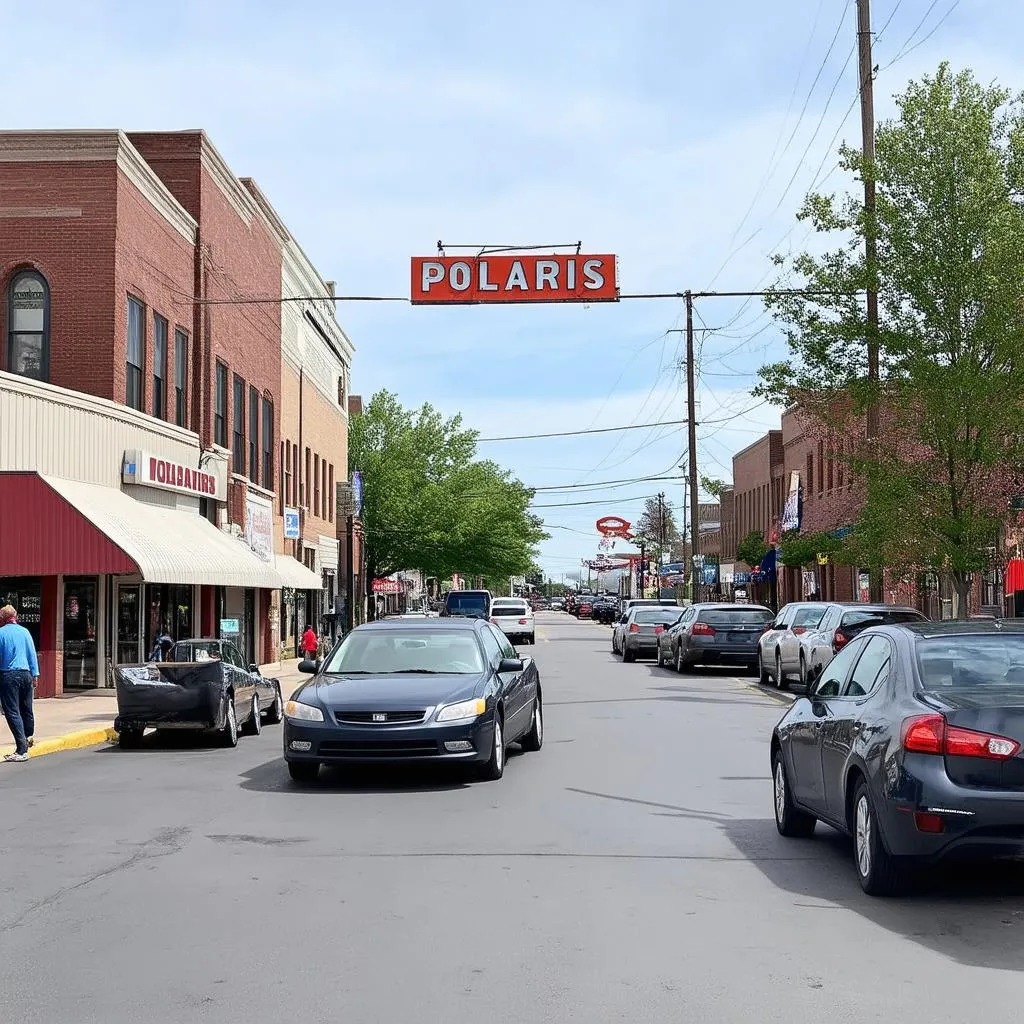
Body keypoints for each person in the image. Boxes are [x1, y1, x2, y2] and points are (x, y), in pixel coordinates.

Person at [0, 604, 40, 763]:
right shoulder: (25, 632)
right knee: (26, 707)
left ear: (2, 618)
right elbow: (32, 653)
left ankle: (21, 749)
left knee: (12, 711)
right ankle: (28, 735)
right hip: (26, 674)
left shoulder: (1, 633)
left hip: (8, 675)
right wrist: (35, 674)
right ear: (15, 617)